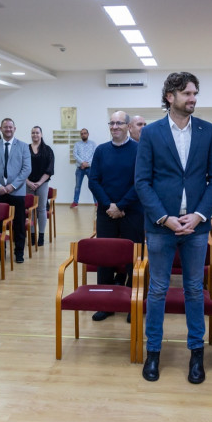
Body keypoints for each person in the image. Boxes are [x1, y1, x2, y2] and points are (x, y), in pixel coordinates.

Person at [134, 72, 212, 384]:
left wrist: (199, 215)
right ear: (170, 96)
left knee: (195, 290)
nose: (193, 98)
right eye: (187, 93)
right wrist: (164, 217)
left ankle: (196, 354)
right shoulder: (152, 133)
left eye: (195, 93)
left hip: (196, 227)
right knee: (157, 290)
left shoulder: (208, 131)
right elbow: (142, 181)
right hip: (161, 227)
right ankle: (153, 352)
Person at [88, 111, 144, 322]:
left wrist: (120, 205)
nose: (115, 126)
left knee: (133, 260)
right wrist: (109, 205)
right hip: (106, 213)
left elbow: (140, 181)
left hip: (132, 212)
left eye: (119, 123)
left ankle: (132, 303)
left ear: (128, 126)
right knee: (105, 259)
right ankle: (105, 305)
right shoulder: (101, 151)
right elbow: (93, 181)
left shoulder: (139, 150)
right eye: (112, 123)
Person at [0, 118, 31, 264]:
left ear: (14, 129)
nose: (8, 129)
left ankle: (19, 253)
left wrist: (13, 186)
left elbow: (26, 169)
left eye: (10, 127)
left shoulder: (23, 146)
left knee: (18, 224)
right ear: (1, 128)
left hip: (16, 192)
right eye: (5, 127)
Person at [26, 126, 55, 247]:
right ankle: (32, 236)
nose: (35, 135)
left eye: (37, 133)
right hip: (27, 184)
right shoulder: (25, 149)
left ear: (41, 134)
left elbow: (50, 169)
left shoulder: (48, 150)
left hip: (42, 183)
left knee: (42, 209)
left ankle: (41, 236)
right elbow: (20, 168)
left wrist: (39, 183)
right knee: (31, 210)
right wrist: (28, 182)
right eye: (33, 133)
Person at [71, 128, 96, 207]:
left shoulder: (93, 144)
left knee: (93, 185)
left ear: (88, 134)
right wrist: (82, 163)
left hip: (90, 168)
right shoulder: (77, 144)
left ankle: (97, 202)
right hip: (80, 169)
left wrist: (87, 164)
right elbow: (75, 155)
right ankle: (75, 202)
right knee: (77, 186)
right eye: (82, 133)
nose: (83, 135)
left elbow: (94, 155)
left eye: (85, 133)